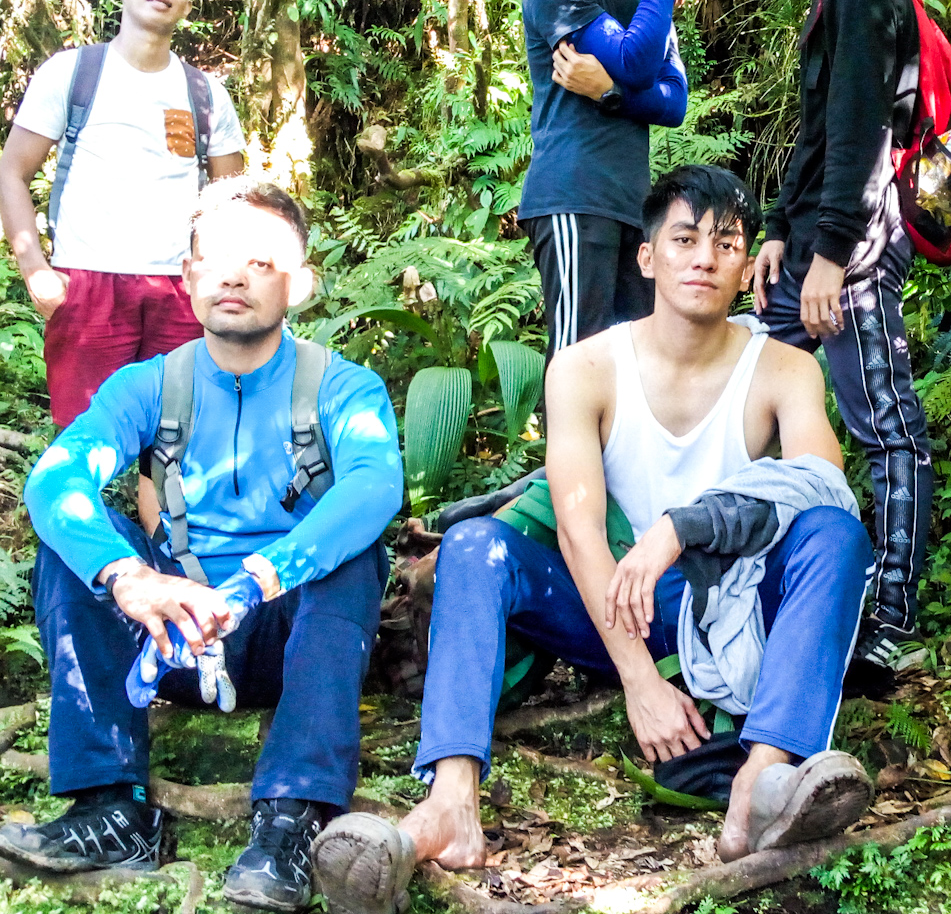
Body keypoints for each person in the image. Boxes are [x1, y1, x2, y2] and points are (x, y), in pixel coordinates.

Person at [310, 167, 875, 914]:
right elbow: (579, 534)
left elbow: (821, 485)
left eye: (726, 243)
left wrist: (682, 528)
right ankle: (450, 801)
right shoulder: (585, 368)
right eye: (684, 239)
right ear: (647, 258)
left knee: (836, 532)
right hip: (610, 600)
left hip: (729, 603)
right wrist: (640, 684)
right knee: (476, 545)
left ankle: (762, 779)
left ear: (747, 269)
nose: (704, 258)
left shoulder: (784, 369)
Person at [0, 178, 404, 913]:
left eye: (261, 262)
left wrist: (257, 579)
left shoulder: (343, 387)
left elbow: (374, 487)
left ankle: (291, 821)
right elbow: (57, 477)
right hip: (170, 634)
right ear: (187, 278)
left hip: (285, 635)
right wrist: (128, 575)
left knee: (355, 555)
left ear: (300, 285)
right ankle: (111, 808)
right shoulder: (147, 386)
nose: (234, 277)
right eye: (214, 260)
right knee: (72, 548)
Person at [692, 0, 935, 673]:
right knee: (750, 404)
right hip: (814, 246)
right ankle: (766, 599)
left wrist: (829, 254)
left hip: (855, 247)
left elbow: (865, 137)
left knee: (886, 426)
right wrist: (777, 232)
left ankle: (892, 621)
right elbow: (818, 132)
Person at [0, 0, 246, 524]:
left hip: (179, 288)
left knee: (175, 441)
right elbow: (12, 173)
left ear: (188, 3)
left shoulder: (204, 93)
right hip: (89, 282)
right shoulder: (73, 73)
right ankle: (75, 556)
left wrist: (224, 281)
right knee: (82, 437)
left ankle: (167, 558)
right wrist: (35, 269)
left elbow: (231, 201)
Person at [519, 0, 689, 360]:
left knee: (633, 365)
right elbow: (637, 60)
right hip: (573, 196)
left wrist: (610, 92)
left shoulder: (640, 6)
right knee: (579, 357)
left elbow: (674, 101)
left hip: (632, 206)